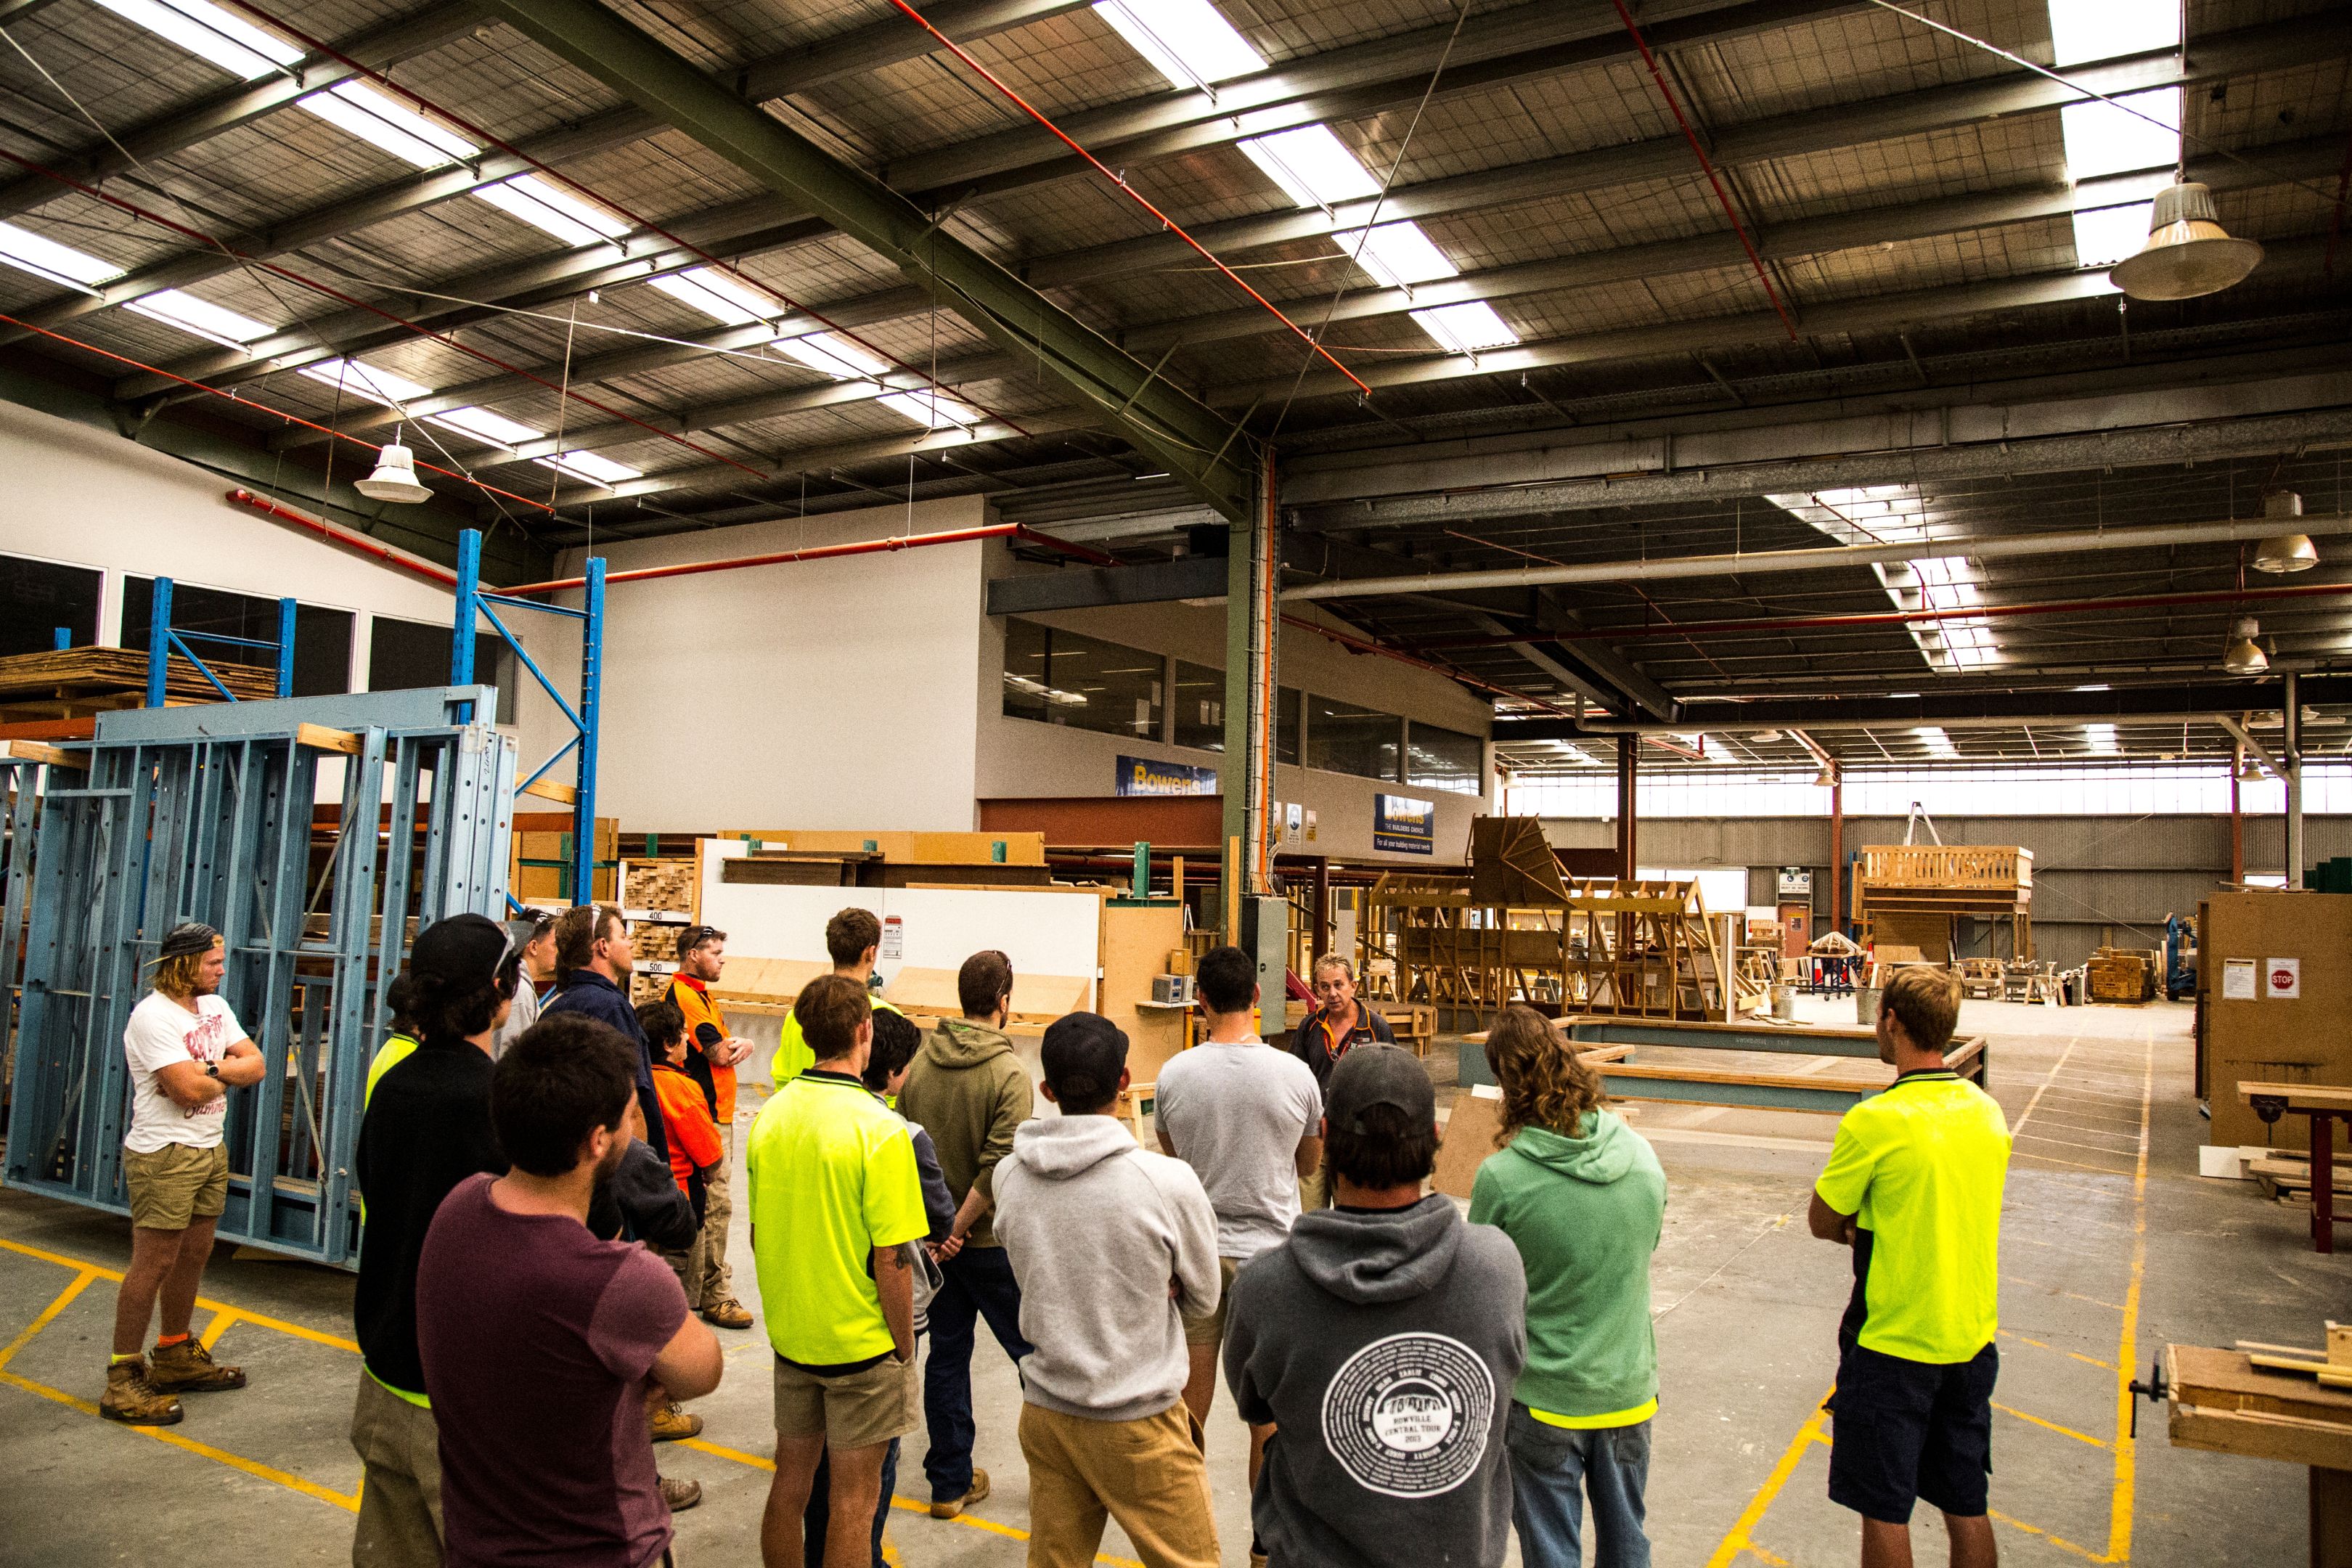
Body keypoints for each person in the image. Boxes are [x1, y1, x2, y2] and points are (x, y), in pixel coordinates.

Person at [416, 1013, 724, 1568]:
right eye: (630, 1114)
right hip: (599, 1550)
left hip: (477, 1546)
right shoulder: (621, 1280)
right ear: (599, 1141)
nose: (636, 1124)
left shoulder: (459, 1208)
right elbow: (701, 1371)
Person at [1223, 1045, 1527, 1568]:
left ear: (1325, 1139)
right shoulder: (1496, 1266)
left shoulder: (1267, 1287)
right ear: (1434, 1139)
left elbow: (1256, 1404)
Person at [995, 1012, 1223, 1568]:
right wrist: (1155, 1281)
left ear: (1048, 1090)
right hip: (1138, 1420)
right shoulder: (1166, 1182)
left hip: (1048, 1411)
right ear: (1124, 1084)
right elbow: (1204, 1298)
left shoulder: (1009, 1177)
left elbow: (1040, 1266)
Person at [1808, 966, 2010, 1568]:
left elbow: (1824, 1218)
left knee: (1886, 1507)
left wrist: (1855, 1222)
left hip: (1893, 1344)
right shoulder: (1985, 1113)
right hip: (1970, 1340)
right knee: (1966, 1503)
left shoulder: (1876, 1122)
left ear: (1892, 1021)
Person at [1470, 1005, 1667, 1568]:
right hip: (1627, 1391)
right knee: (1629, 1543)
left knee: (1552, 1550)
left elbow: (1484, 1285)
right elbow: (1643, 1249)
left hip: (1544, 1398)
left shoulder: (1503, 1178)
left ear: (1507, 1084)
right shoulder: (1641, 1158)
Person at [350, 914, 516, 1567]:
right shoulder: (497, 1101)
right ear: (500, 990)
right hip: (464, 1401)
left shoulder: (394, 1083)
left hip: (386, 1371)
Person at [746, 973, 929, 1568]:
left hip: (793, 1337)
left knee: (790, 1485)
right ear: (865, 1032)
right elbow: (892, 1260)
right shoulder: (880, 1130)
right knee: (855, 1501)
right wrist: (903, 1348)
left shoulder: (769, 1117)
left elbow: (757, 1232)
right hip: (860, 1346)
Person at [1154, 942, 1322, 1545]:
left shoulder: (1175, 1075)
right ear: (1256, 997)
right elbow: (1308, 1165)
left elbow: (1173, 1158)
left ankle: (1187, 1543)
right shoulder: (1296, 1075)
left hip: (1197, 1258)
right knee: (1268, 1419)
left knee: (1187, 1413)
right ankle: (1264, 1546)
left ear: (1200, 1001)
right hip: (1272, 1263)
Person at [803, 1007, 957, 1568]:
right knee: (870, 1469)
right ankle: (863, 1557)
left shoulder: (803, 1118)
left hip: (814, 1308)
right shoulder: (900, 1134)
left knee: (816, 1467)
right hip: (879, 1320)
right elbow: (924, 1229)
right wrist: (904, 1345)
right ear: (893, 1070)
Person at [103, 920, 265, 1426]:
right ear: (184, 964)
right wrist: (220, 1073)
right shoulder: (151, 1018)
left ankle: (173, 1354)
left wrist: (209, 1070)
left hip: (208, 1148)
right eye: (213, 962)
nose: (222, 970)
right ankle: (123, 1377)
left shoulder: (214, 1007)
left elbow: (257, 1065)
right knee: (153, 1262)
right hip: (165, 1152)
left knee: (195, 1254)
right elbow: (184, 1091)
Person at [894, 948, 1034, 1521]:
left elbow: (905, 1146)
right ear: (1004, 1001)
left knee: (946, 1359)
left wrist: (938, 1232)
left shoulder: (920, 1065)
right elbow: (1000, 1166)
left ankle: (949, 1484)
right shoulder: (1009, 1073)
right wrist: (960, 1228)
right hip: (990, 1247)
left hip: (935, 1250)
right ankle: (1061, 1476)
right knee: (1036, 1360)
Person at [641, 997, 724, 1446]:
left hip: (641, 1204)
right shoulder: (681, 1087)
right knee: (675, 1308)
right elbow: (710, 1154)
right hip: (678, 1204)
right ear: (674, 1044)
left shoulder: (636, 1081)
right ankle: (658, 1408)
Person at [667, 923, 756, 1329]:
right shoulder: (686, 996)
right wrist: (743, 1045)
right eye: (714, 953)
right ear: (692, 956)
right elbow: (719, 1052)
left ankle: (705, 1288)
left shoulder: (700, 994)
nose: (722, 960)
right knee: (715, 1205)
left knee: (712, 1205)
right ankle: (714, 1294)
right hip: (703, 1114)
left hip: (714, 1111)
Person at [542, 903, 668, 1167]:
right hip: (620, 1167)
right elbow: (631, 1105)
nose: (631, 944)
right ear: (603, 947)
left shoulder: (554, 1008)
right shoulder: (612, 1008)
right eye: (622, 936)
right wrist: (645, 1177)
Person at [1288, 953, 1392, 1210]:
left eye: (1338, 985)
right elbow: (1295, 1079)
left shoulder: (1375, 1028)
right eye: (1325, 987)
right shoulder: (1309, 1028)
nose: (1332, 993)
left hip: (1357, 1142)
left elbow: (1392, 1082)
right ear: (1317, 990)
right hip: (1316, 1140)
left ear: (1353, 986)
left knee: (1355, 1220)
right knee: (1310, 1220)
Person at [772, 907, 899, 1087]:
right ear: (870, 953)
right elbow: (891, 1094)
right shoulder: (885, 1016)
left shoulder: (797, 1015)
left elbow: (782, 1080)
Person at [491, 910, 555, 1058]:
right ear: (533, 947)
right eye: (554, 944)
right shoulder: (520, 992)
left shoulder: (519, 986)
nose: (557, 951)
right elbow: (510, 1055)